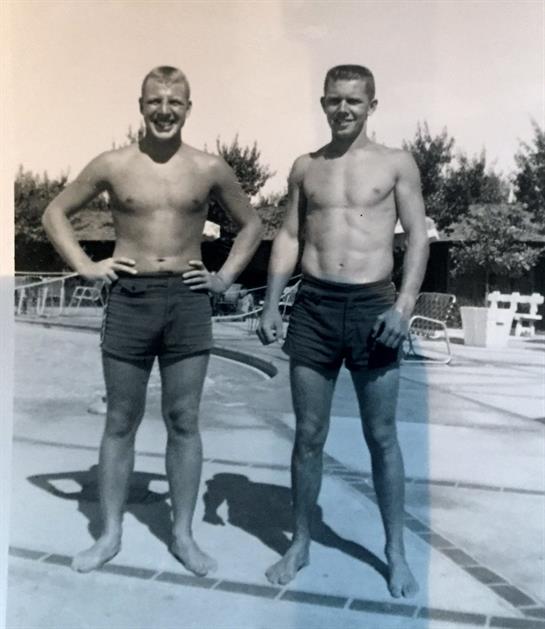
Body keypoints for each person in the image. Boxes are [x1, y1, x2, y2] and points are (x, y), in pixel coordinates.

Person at [42, 65, 263, 576]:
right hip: (129, 297)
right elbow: (54, 213)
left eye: (175, 102)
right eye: (155, 101)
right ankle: (110, 534)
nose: (164, 111)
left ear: (189, 108)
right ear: (140, 105)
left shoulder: (209, 168)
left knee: (184, 421)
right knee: (121, 420)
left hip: (187, 300)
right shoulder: (113, 164)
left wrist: (224, 278)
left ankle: (183, 535)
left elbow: (251, 225)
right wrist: (86, 266)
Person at [257, 64, 429, 598]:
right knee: (308, 436)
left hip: (374, 307)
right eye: (335, 100)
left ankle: (394, 552)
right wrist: (269, 303)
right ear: (323, 102)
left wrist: (402, 306)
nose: (344, 109)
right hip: (314, 307)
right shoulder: (306, 167)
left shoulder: (397, 163)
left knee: (382, 437)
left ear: (372, 104)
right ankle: (302, 541)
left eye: (355, 100)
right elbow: (288, 234)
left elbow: (419, 236)